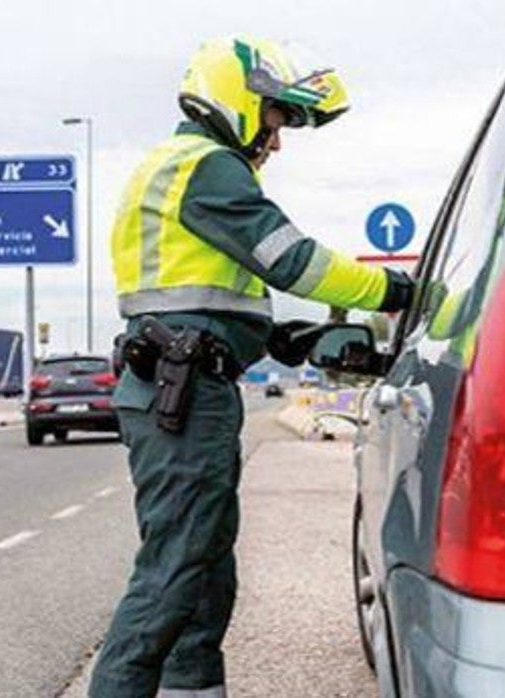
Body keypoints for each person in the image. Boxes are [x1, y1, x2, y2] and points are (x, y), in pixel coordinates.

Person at [89, 35, 414, 698]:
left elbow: (203, 301)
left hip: (179, 381)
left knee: (203, 577)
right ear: (238, 99)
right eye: (277, 118)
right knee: (176, 572)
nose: (279, 139)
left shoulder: (177, 167)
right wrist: (402, 290)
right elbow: (296, 261)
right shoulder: (206, 167)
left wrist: (274, 337)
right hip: (180, 393)